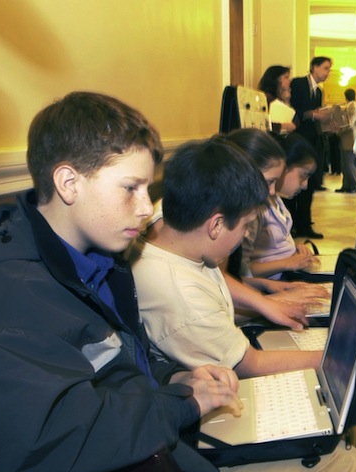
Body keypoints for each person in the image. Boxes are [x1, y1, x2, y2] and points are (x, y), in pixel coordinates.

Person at [0, 92, 356, 472]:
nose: (146, 208)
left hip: (152, 448)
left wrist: (175, 377)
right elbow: (32, 444)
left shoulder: (96, 260)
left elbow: (117, 363)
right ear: (69, 183)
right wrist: (181, 402)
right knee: (338, 469)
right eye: (131, 188)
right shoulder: (5, 299)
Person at [129, 137, 325, 378]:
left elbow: (213, 275)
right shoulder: (182, 296)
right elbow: (252, 364)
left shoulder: (179, 235)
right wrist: (341, 358)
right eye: (245, 226)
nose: (244, 236)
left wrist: (266, 301)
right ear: (217, 225)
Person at [239, 133, 320, 280]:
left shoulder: (276, 200)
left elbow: (276, 246)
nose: (305, 185)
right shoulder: (256, 210)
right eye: (303, 175)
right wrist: (286, 263)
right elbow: (242, 270)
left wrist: (295, 249)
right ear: (284, 168)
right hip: (272, 282)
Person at [288, 56, 333, 239]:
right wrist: (313, 115)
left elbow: (316, 119)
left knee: (309, 186)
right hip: (296, 141)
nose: (327, 73)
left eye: (329, 69)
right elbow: (291, 111)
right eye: (325, 68)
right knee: (293, 184)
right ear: (314, 67)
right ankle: (292, 225)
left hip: (313, 142)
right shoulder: (298, 84)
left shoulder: (319, 92)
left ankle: (305, 225)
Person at [258, 65, 297, 133]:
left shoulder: (282, 97)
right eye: (286, 77)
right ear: (276, 79)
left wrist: (286, 102)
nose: (289, 81)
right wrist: (281, 126)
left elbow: (295, 121)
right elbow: (260, 122)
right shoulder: (266, 98)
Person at [336, 88, 356, 193]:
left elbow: (349, 123)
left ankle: (354, 185)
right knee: (344, 164)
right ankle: (346, 185)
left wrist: (338, 129)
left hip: (350, 140)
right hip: (345, 139)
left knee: (350, 164)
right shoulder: (350, 106)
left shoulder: (353, 107)